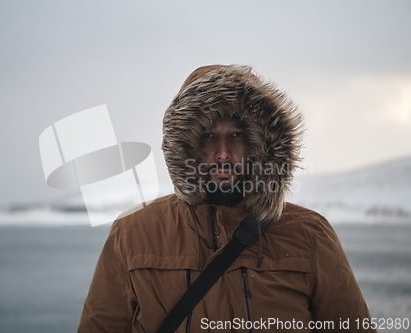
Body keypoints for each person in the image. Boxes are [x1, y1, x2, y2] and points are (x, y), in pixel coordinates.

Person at [78, 65, 375, 332]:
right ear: (186, 147)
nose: (222, 153)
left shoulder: (309, 235)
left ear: (262, 145)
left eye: (236, 135)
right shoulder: (133, 233)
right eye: (207, 135)